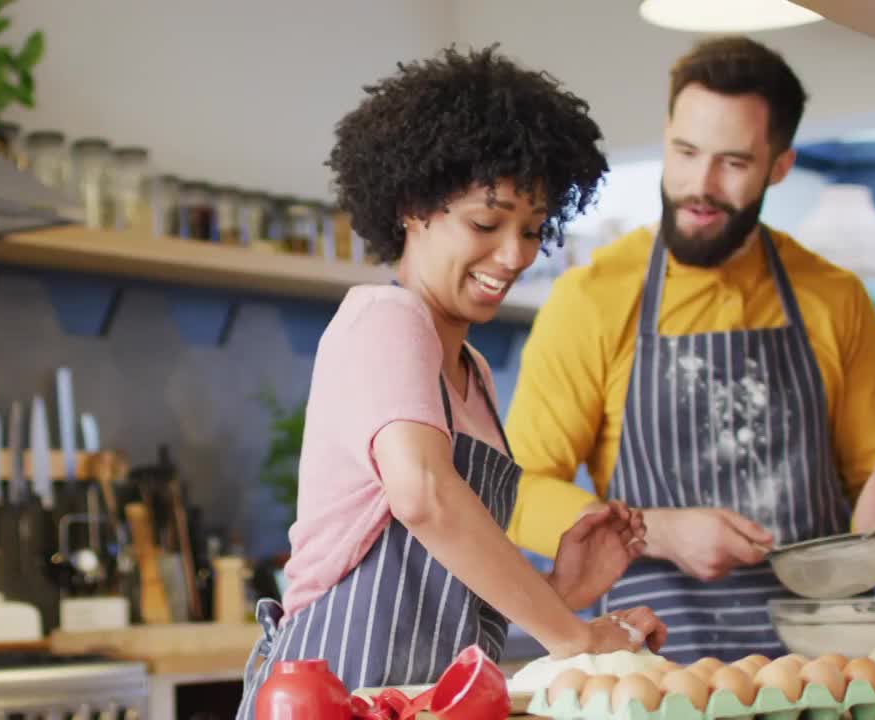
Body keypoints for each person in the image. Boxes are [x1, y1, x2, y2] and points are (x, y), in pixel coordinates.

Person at [236, 45, 668, 718]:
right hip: (332, 699)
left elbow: (444, 604)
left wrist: (561, 589)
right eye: (486, 223)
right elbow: (426, 497)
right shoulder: (386, 321)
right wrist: (574, 637)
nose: (515, 255)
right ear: (413, 205)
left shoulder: (474, 375)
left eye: (531, 230)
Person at [504, 35, 875, 664]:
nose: (700, 186)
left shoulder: (834, 297)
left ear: (780, 166)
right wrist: (658, 529)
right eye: (685, 152)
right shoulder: (594, 298)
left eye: (734, 163)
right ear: (665, 136)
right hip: (654, 681)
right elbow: (516, 491)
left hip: (826, 682)